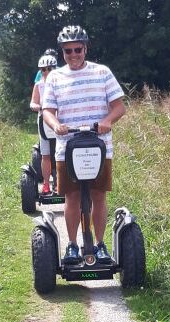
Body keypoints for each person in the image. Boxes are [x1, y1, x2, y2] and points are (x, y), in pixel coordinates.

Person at [42, 25, 126, 264]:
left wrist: (107, 121)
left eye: (77, 49)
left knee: (98, 195)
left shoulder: (102, 73)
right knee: (72, 197)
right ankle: (71, 245)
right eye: (68, 51)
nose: (73, 55)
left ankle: (99, 245)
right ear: (62, 53)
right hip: (67, 148)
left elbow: (119, 107)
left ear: (85, 49)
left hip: (99, 147)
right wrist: (56, 124)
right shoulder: (56, 77)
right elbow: (48, 110)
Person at [30, 54, 58, 194]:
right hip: (43, 122)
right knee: (46, 155)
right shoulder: (39, 85)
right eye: (43, 69)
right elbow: (33, 102)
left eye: (49, 69)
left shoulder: (60, 83)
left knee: (61, 154)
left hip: (58, 121)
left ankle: (60, 183)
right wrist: (36, 106)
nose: (46, 72)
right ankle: (46, 184)